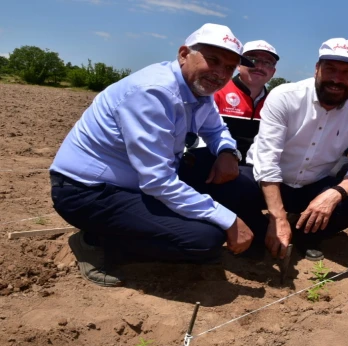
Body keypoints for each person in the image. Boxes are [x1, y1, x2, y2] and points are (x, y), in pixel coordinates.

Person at [49, 23, 268, 287]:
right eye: (213, 60)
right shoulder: (153, 92)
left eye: (229, 67)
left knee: (242, 180)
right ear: (184, 54)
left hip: (142, 179)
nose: (221, 73)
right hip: (90, 192)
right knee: (204, 240)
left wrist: (227, 152)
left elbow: (216, 129)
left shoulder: (199, 89)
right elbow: (157, 181)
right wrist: (228, 219)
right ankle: (95, 240)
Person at [247, 38, 348, 261]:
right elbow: (267, 160)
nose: (337, 79)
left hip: (313, 185)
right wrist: (278, 216)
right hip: (266, 183)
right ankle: (261, 230)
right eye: (331, 69)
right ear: (317, 69)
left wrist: (333, 195)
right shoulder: (284, 95)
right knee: (232, 186)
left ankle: (304, 234)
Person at [214, 40, 279, 162]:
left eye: (268, 63)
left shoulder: (276, 103)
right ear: (238, 65)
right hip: (216, 164)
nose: (259, 67)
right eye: (253, 60)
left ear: (273, 72)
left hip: (258, 170)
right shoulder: (216, 93)